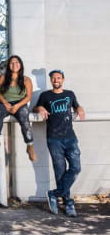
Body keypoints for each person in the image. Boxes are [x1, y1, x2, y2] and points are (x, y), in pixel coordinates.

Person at [34, 69, 85, 217]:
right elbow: (35, 107)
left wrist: (80, 108)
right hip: (54, 139)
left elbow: (76, 106)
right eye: (53, 78)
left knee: (76, 168)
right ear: (51, 80)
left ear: (63, 79)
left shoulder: (70, 94)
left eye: (58, 78)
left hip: (70, 138)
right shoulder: (45, 95)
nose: (56, 80)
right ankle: (68, 203)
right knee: (60, 171)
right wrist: (41, 107)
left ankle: (54, 194)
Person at [0, 55, 37, 162]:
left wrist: (17, 106)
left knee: (24, 117)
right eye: (12, 63)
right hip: (5, 103)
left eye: (17, 62)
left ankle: (30, 146)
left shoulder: (26, 80)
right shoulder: (3, 77)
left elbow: (28, 96)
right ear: (9, 66)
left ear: (20, 65)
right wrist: (5, 103)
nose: (14, 65)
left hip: (20, 104)